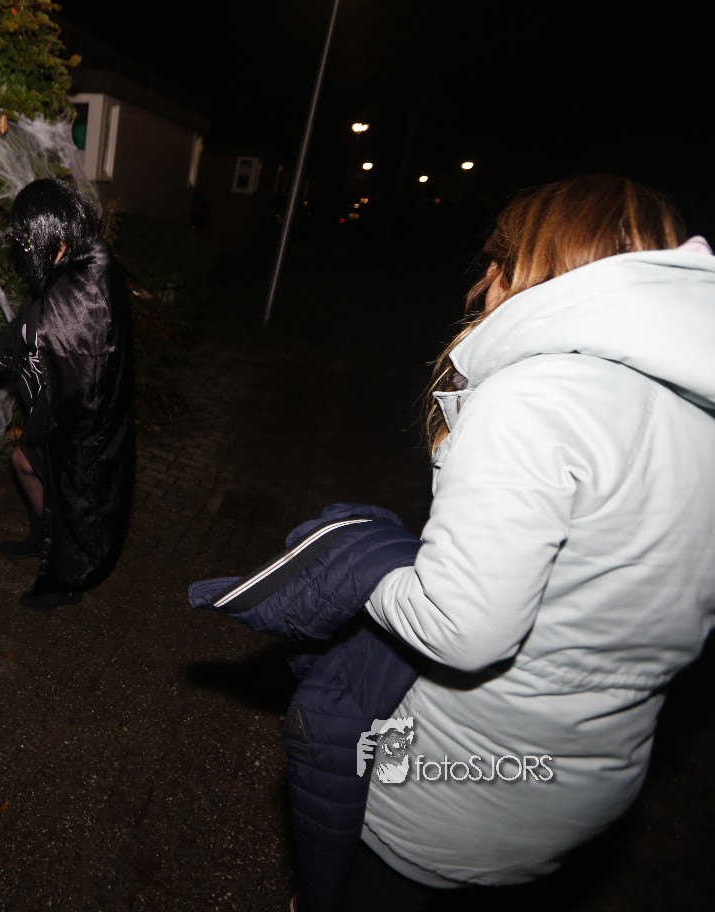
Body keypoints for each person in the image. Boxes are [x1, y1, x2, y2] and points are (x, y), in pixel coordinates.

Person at [195, 174, 715, 910]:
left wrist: (362, 563)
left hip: (456, 786)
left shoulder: (539, 397)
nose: (483, 282)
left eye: (497, 258)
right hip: (589, 784)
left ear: (527, 263)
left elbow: (464, 624)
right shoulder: (697, 412)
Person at [0, 177, 134, 611]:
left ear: (48, 230)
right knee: (24, 463)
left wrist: (42, 421)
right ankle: (41, 535)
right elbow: (21, 332)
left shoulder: (85, 287)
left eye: (25, 238)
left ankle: (67, 578)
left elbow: (83, 381)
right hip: (54, 410)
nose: (22, 247)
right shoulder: (59, 269)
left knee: (74, 502)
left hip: (79, 425)